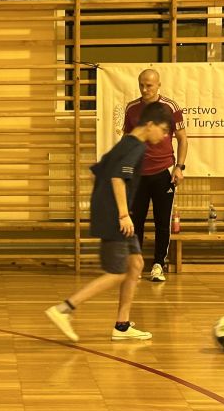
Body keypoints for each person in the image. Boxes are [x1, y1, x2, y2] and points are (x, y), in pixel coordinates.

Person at [45, 101, 172, 343]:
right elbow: (117, 177)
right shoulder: (135, 147)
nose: (165, 136)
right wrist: (122, 214)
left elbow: (98, 172)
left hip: (112, 212)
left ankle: (122, 326)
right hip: (116, 217)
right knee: (117, 273)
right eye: (164, 130)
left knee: (135, 264)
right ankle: (64, 309)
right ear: (150, 124)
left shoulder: (125, 144)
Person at [123, 69, 188, 283]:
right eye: (141, 85)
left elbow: (182, 139)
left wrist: (179, 167)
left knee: (162, 221)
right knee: (135, 222)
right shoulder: (132, 108)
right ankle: (135, 265)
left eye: (149, 85)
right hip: (138, 175)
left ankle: (159, 264)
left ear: (158, 85)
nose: (145, 89)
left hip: (163, 172)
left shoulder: (170, 107)